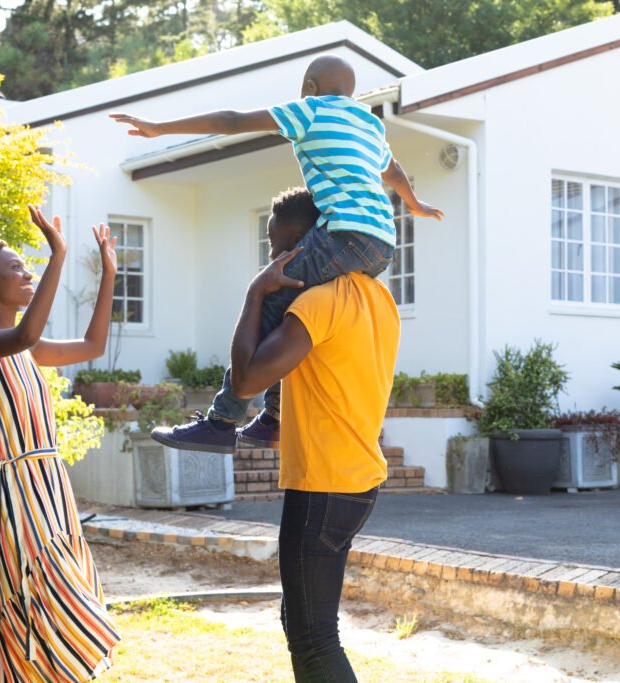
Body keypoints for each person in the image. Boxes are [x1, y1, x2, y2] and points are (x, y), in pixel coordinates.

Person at [110, 54, 439, 452]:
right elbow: (395, 172)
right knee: (294, 308)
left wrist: (160, 128)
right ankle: (273, 418)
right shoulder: (367, 123)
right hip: (382, 244)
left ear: (311, 87)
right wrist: (415, 204)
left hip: (344, 236)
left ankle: (221, 421)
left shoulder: (311, 110)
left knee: (270, 294)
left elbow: (231, 121)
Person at [227, 187, 399, 681]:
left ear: (310, 243)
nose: (276, 262)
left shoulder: (318, 303)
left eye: (280, 250)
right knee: (302, 623)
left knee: (314, 637)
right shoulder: (378, 297)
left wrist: (255, 292)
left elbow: (246, 381)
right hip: (356, 479)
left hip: (324, 482)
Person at [0, 205, 121, 682]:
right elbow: (27, 332)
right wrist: (59, 254)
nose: (26, 273)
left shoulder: (24, 348)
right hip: (10, 489)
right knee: (34, 596)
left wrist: (108, 273)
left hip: (48, 485)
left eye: (29, 267)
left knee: (62, 588)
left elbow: (92, 347)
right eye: (16, 268)